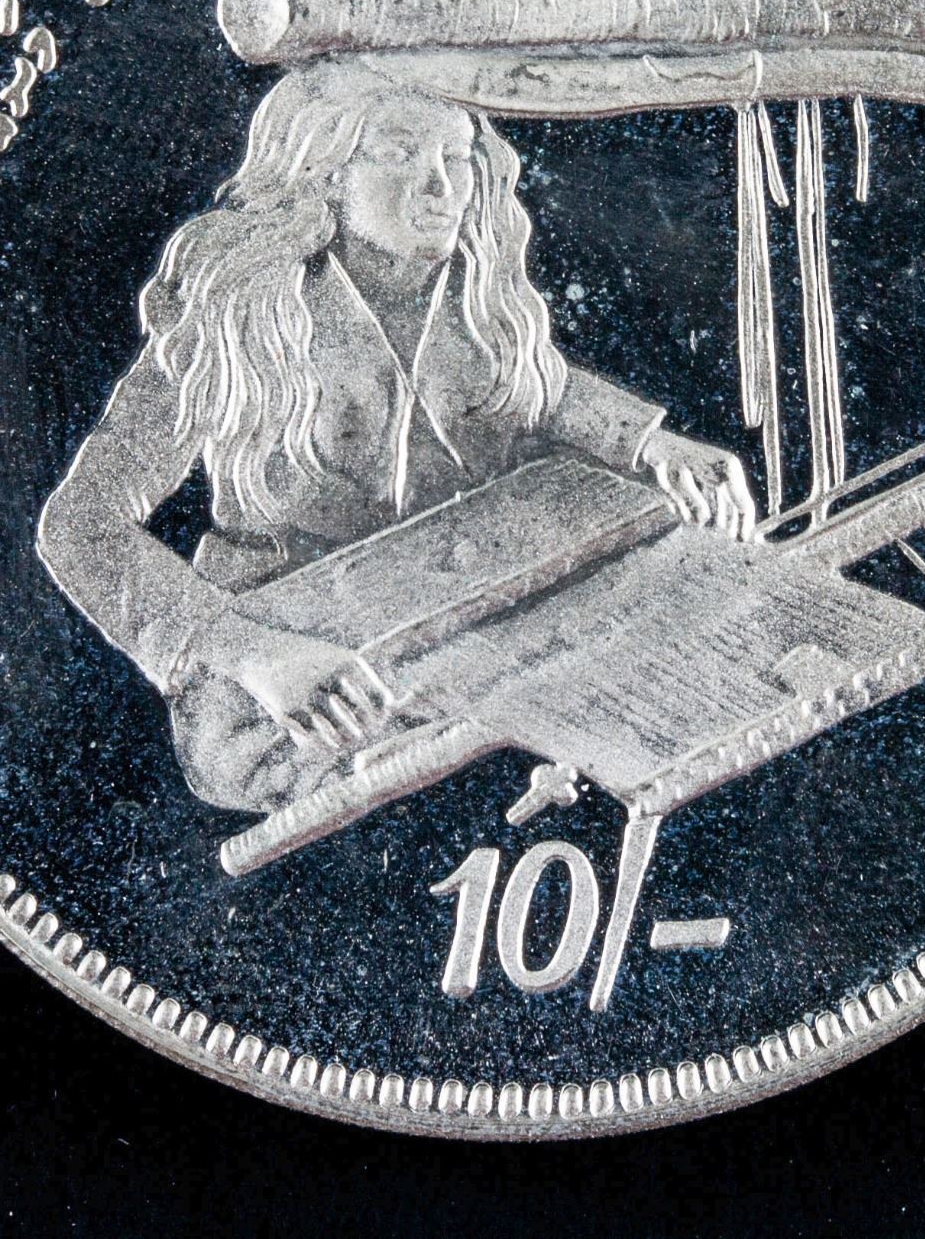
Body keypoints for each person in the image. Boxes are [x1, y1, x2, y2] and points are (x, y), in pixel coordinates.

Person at [37, 58, 755, 813]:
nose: (440, 186)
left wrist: (649, 443)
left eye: (456, 157)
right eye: (398, 153)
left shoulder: (479, 297)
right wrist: (254, 653)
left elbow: (531, 388)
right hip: (300, 688)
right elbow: (79, 523)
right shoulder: (230, 320)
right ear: (325, 176)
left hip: (470, 621)